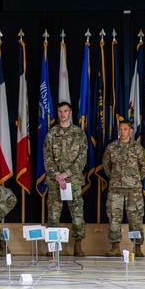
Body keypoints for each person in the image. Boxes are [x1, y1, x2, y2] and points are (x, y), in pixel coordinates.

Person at [43, 101, 88, 256]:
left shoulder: (79, 134)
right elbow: (47, 157)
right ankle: (53, 246)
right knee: (54, 214)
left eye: (65, 111)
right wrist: (57, 175)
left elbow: (82, 158)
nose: (63, 114)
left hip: (73, 181)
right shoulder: (51, 133)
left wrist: (67, 174)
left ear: (70, 113)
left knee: (77, 214)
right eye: (60, 111)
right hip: (56, 181)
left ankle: (78, 244)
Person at [101, 120, 145, 257]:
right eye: (120, 129)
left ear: (131, 131)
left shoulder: (138, 148)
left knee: (136, 218)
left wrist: (134, 180)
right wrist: (116, 179)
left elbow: (144, 167)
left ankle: (137, 247)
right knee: (114, 217)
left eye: (125, 129)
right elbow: (107, 167)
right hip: (116, 189)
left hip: (133, 190)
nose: (122, 132)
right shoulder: (111, 148)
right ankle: (115, 247)